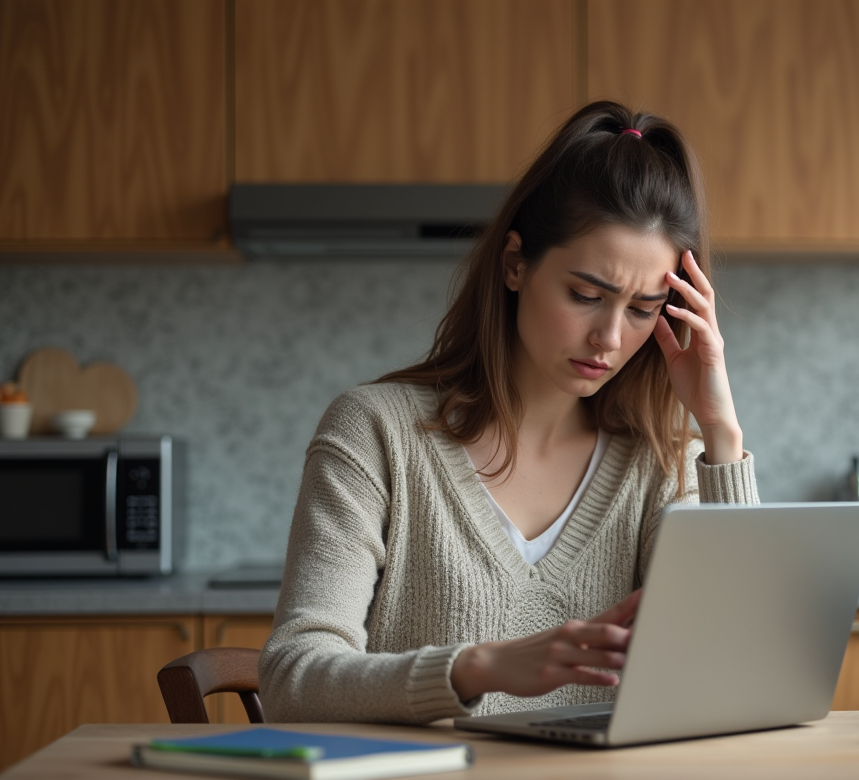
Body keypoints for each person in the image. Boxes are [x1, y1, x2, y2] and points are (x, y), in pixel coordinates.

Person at [259, 100, 759, 724]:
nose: (609, 338)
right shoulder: (375, 432)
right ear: (515, 263)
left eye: (642, 310)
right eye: (585, 294)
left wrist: (720, 432)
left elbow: (738, 672)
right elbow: (293, 679)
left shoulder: (664, 464)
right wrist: (478, 668)